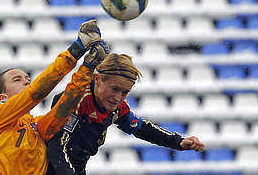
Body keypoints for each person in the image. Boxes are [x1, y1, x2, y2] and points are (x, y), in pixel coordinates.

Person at [0, 19, 109, 174]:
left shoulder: (35, 126)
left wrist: (87, 68)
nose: (26, 81)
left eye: (27, 78)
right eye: (17, 79)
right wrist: (77, 49)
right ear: (3, 97)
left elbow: (65, 108)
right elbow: (36, 92)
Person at [46, 53, 205, 175]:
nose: (118, 98)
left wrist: (178, 142)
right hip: (45, 167)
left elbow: (142, 129)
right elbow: (56, 146)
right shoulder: (75, 100)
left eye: (125, 92)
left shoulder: (117, 107)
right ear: (98, 79)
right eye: (114, 89)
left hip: (75, 167)